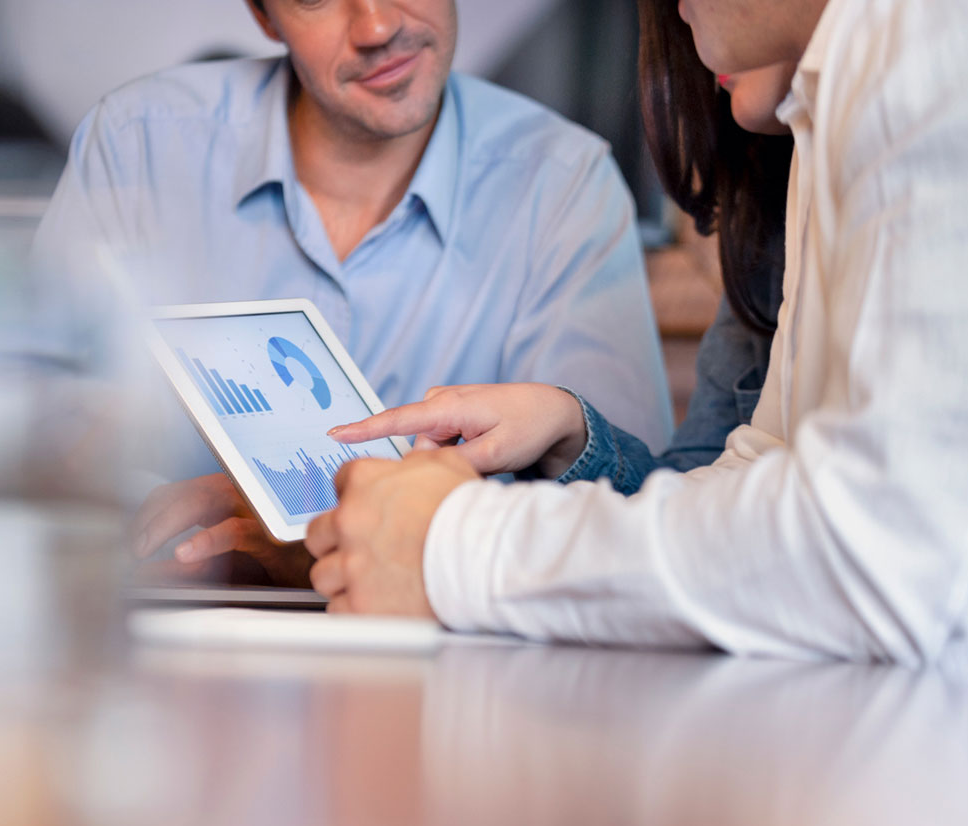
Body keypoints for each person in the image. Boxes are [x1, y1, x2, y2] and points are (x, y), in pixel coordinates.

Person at [306, 0, 968, 667]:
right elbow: (757, 474)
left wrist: (451, 544)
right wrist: (481, 506)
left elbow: (879, 555)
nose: (669, 15)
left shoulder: (949, 32)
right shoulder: (828, 101)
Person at [30, 1, 673, 584]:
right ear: (262, 16)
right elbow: (33, 429)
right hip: (167, 632)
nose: (376, 27)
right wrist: (158, 507)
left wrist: (338, 528)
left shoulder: (562, 184)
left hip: (449, 661)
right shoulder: (135, 143)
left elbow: (630, 508)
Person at [330, 2, 794, 494]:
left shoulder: (563, 175)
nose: (375, 26)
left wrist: (447, 533)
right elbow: (695, 494)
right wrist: (569, 428)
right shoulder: (773, 217)